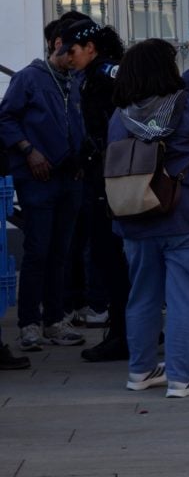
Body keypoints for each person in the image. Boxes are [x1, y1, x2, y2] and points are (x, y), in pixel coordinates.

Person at [106, 39, 189, 398]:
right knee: (186, 298)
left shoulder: (120, 115)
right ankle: (180, 377)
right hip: (188, 215)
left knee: (143, 296)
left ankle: (140, 370)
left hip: (137, 216)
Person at [0, 19, 86, 351]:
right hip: (38, 179)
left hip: (70, 178)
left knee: (61, 252)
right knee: (37, 249)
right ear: (58, 44)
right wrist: (28, 150)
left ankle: (54, 319)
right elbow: (5, 117)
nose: (78, 58)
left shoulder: (75, 80)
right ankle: (29, 323)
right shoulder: (29, 78)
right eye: (76, 51)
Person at [54, 17, 129, 362]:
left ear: (90, 48)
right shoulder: (90, 76)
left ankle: (123, 333)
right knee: (108, 254)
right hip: (103, 172)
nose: (67, 56)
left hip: (110, 175)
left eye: (71, 50)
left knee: (110, 255)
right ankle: (126, 327)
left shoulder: (105, 73)